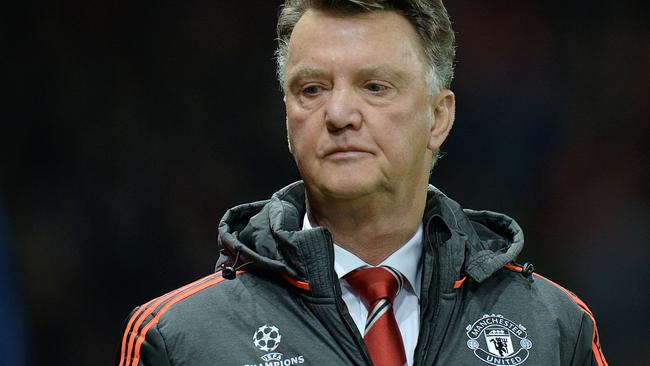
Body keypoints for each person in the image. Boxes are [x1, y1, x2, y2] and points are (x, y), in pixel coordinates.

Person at [116, 1, 607, 365]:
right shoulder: (179, 338)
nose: (339, 114)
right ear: (287, 115)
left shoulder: (554, 329)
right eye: (312, 89)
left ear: (438, 117)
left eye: (375, 86)